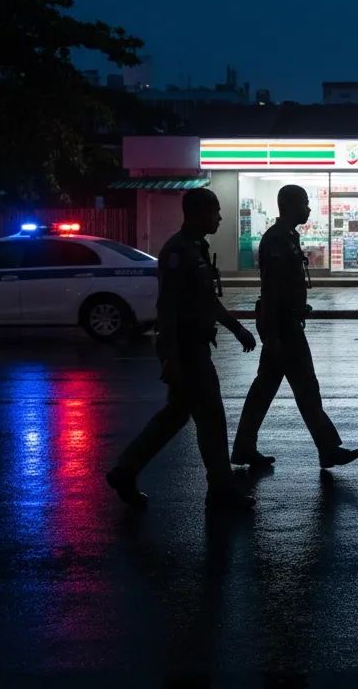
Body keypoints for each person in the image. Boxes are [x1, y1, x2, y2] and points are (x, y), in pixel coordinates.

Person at [106, 188, 258, 511]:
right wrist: (171, 360)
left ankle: (126, 470)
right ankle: (221, 490)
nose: (220, 217)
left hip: (195, 346)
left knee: (175, 416)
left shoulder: (196, 248)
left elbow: (209, 301)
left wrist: (237, 329)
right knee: (212, 417)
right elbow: (168, 311)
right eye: (216, 211)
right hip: (188, 351)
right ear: (199, 213)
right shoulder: (178, 252)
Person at [232, 184, 358, 471]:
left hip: (286, 323)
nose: (309, 208)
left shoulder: (288, 237)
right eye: (305, 203)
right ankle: (327, 449)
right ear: (290, 206)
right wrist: (275, 335)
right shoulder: (276, 240)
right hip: (282, 327)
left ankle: (245, 447)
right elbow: (271, 290)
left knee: (267, 388)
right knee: (303, 387)